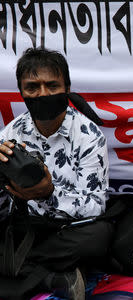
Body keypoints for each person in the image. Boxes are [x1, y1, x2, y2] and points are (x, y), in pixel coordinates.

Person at [0, 47, 113, 300]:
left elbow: (95, 207)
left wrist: (49, 193)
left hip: (68, 229)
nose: (42, 94)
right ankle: (52, 278)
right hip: (26, 226)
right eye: (32, 87)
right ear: (21, 91)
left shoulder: (88, 135)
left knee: (98, 238)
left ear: (67, 87)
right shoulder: (11, 133)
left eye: (52, 86)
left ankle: (22, 270)